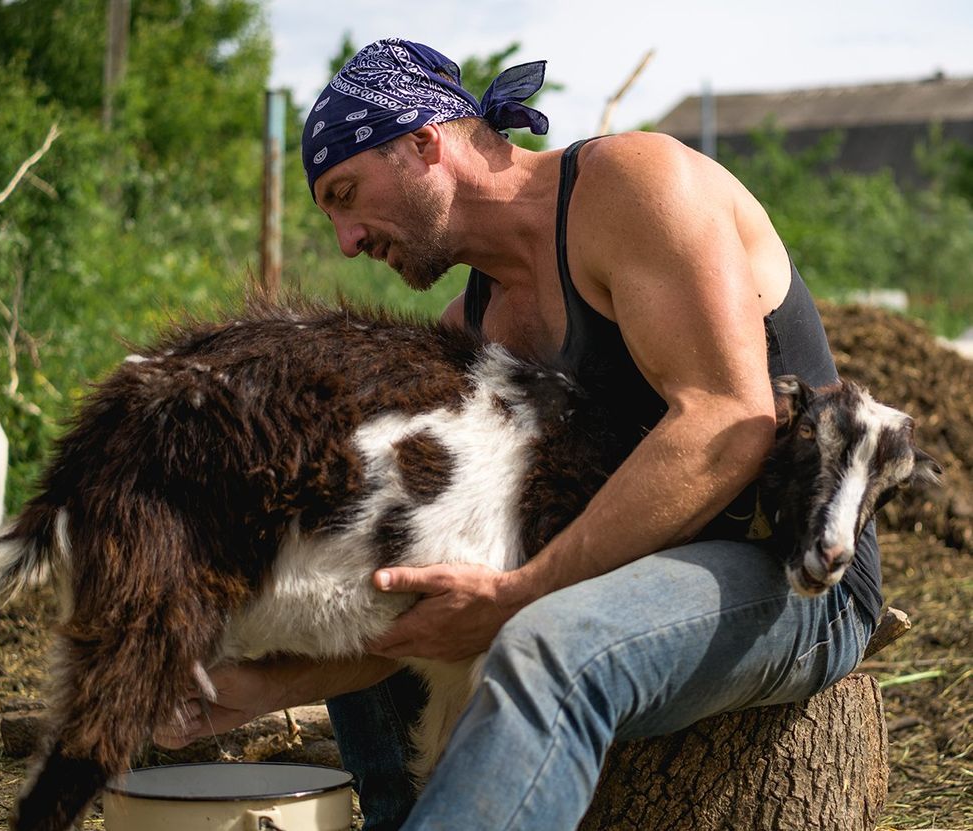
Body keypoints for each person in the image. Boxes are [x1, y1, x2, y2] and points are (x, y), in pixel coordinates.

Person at [155, 38, 881, 830]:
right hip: (624, 574)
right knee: (375, 552)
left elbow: (727, 420)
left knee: (541, 644)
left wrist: (518, 594)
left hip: (792, 570)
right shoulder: (473, 328)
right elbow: (425, 605)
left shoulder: (631, 186)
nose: (347, 241)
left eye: (346, 192)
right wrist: (262, 687)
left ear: (424, 143)